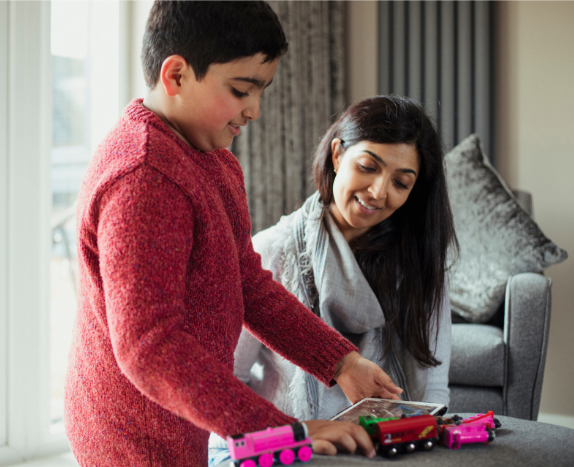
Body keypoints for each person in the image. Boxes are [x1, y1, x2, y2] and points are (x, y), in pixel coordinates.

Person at [64, 3, 403, 466]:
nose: (255, 110)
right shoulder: (143, 176)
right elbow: (149, 347)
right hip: (130, 438)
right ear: (177, 75)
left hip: (184, 420)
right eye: (242, 89)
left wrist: (339, 361)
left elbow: (250, 286)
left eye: (261, 90)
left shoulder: (213, 161)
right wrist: (286, 433)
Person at [209, 95, 458, 465]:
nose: (378, 192)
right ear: (338, 155)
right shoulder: (272, 252)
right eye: (368, 167)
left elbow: (433, 386)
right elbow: (228, 381)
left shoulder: (418, 263)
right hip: (287, 447)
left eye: (401, 183)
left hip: (384, 447)